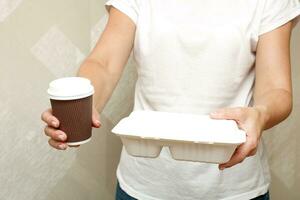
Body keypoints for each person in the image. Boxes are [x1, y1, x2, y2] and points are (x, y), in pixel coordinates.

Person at [41, 0, 300, 199]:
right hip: (144, 186)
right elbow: (104, 63)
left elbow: (277, 89)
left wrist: (261, 114)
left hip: (235, 189)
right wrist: (81, 106)